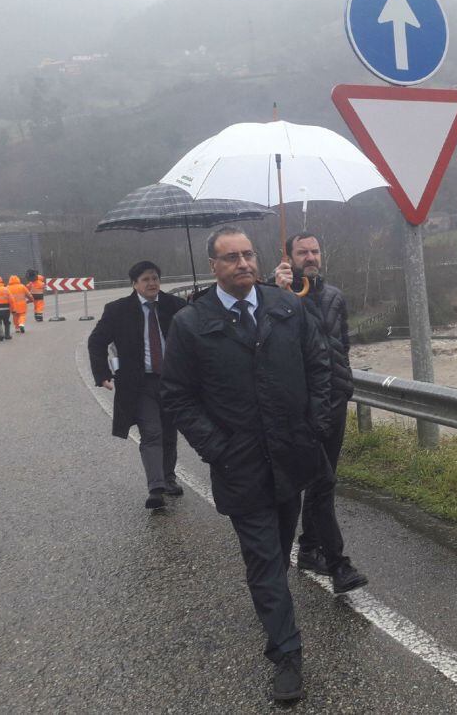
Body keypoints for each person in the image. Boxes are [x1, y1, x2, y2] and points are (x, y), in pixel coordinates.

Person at [160, 227, 366, 703]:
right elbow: (178, 396)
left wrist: (314, 423)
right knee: (265, 561)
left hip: (291, 456)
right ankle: (286, 653)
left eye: (248, 254)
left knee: (279, 543)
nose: (243, 264)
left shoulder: (287, 308)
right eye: (230, 258)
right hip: (240, 464)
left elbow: (320, 364)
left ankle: (282, 628)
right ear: (213, 266)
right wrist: (216, 447)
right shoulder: (192, 324)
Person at [275, 232, 355, 574]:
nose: (310, 257)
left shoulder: (335, 295)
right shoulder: (275, 294)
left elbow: (343, 343)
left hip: (334, 399)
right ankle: (330, 560)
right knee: (312, 482)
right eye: (302, 252)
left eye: (315, 251)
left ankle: (309, 547)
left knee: (325, 478)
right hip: (300, 405)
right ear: (289, 256)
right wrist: (279, 291)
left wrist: (343, 383)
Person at [87, 261, 187, 510]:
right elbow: (96, 341)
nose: (152, 283)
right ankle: (156, 487)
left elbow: (194, 338)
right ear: (134, 284)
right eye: (145, 279)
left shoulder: (177, 307)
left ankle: (169, 478)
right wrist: (102, 373)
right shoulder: (118, 310)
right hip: (139, 383)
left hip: (172, 381)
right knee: (151, 431)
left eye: (155, 278)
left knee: (169, 433)